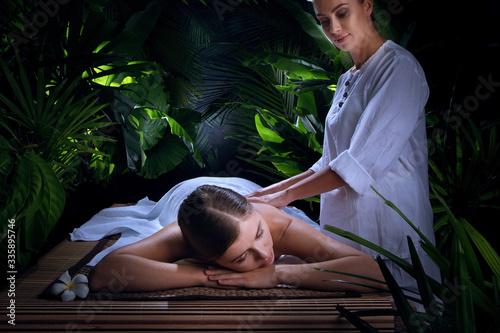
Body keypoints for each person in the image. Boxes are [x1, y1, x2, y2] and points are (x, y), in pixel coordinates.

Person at [246, 0, 441, 293]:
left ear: (367, 6)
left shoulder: (399, 68)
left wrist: (283, 198)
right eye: (324, 20)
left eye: (342, 13)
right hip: (344, 233)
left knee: (395, 309)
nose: (334, 29)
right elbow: (329, 162)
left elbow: (356, 165)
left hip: (388, 231)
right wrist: (266, 193)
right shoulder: (347, 78)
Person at [86, 177, 385, 293]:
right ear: (207, 258)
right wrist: (202, 276)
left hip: (234, 192)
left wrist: (279, 274)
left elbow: (372, 272)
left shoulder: (277, 226)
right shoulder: (183, 237)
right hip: (185, 196)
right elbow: (104, 273)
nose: (264, 253)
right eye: (242, 257)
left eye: (258, 234)